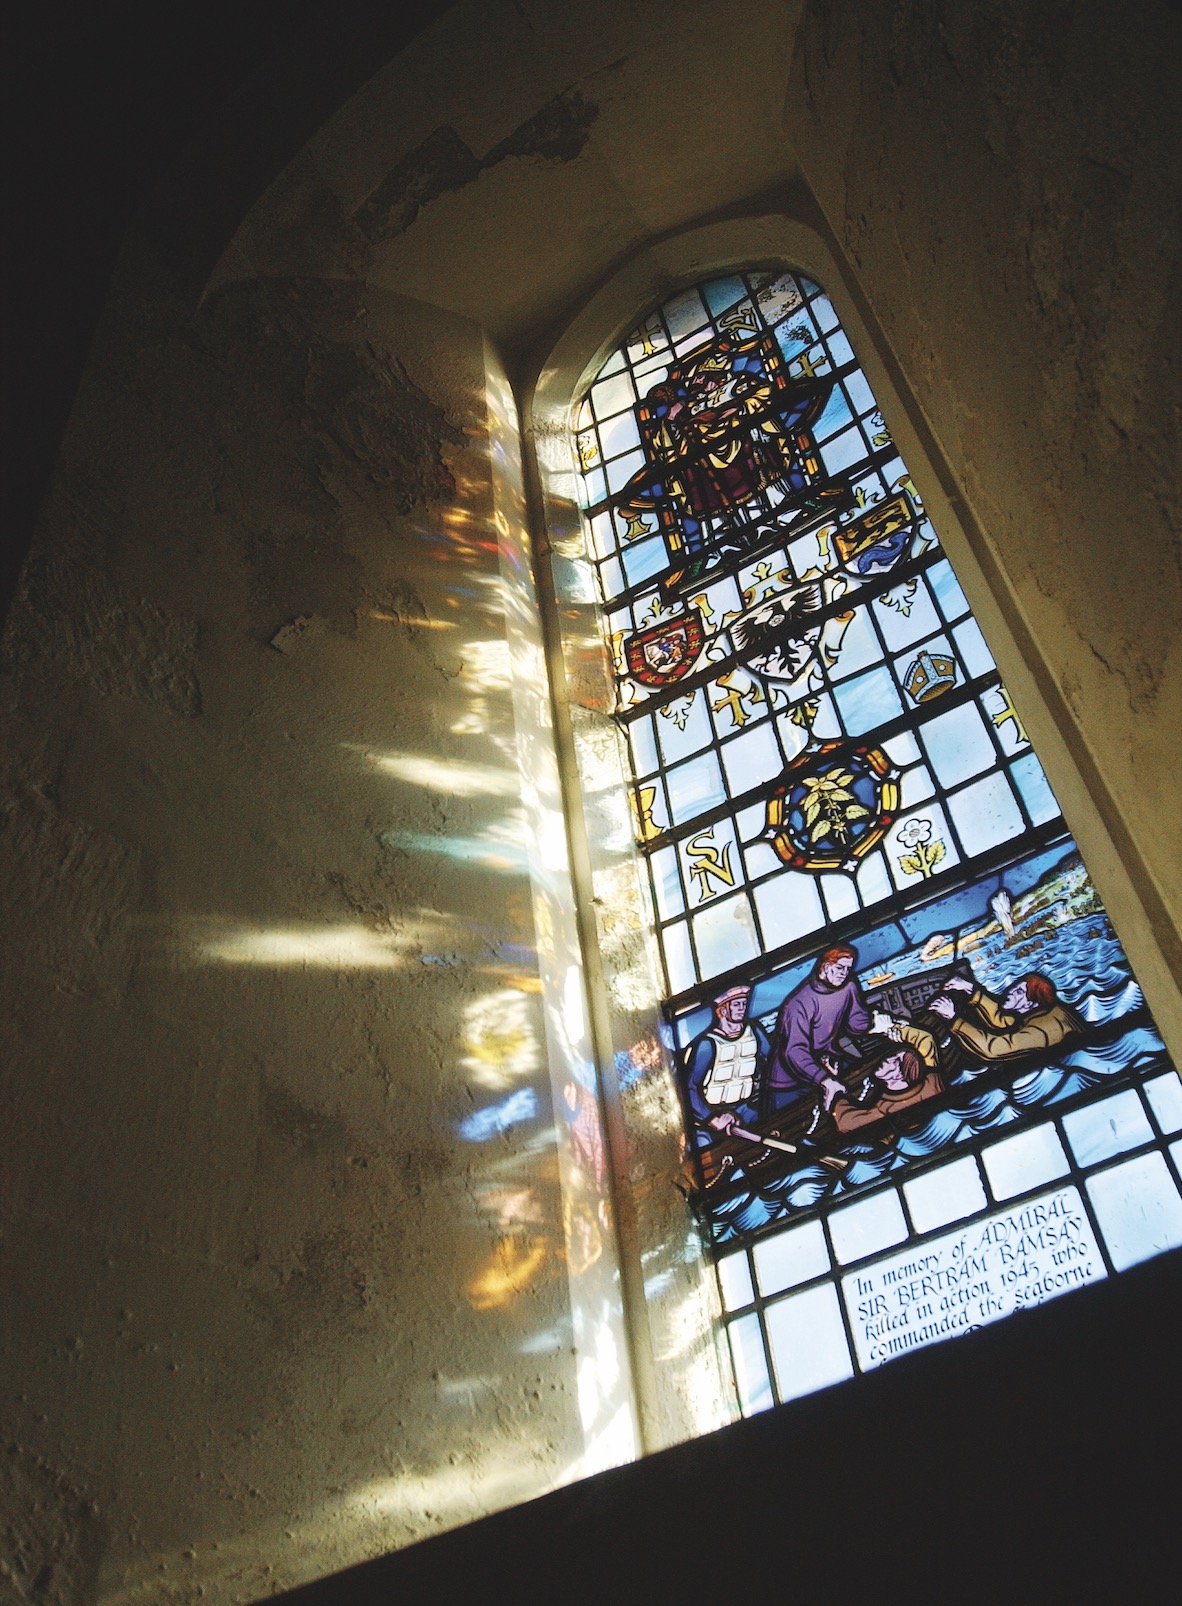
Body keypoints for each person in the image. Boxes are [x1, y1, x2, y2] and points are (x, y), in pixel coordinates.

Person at [766, 945, 871, 1114]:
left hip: (827, 1063)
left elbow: (857, 1025)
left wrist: (875, 1021)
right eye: (839, 967)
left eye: (848, 969)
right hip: (789, 1081)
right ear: (825, 966)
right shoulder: (800, 1002)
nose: (844, 973)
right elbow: (794, 1051)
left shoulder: (848, 986)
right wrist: (825, 1080)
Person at [683, 984, 771, 1147]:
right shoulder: (707, 1044)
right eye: (736, 1004)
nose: (742, 1009)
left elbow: (772, 1061)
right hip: (715, 1112)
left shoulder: (754, 1032)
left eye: (744, 1004)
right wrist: (711, 1118)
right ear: (722, 1010)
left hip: (748, 1108)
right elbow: (692, 1086)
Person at [929, 971, 1081, 1060]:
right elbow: (1001, 1022)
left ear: (1031, 1004)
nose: (1011, 990)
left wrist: (953, 1018)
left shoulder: (1045, 1027)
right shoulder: (1037, 1014)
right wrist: (970, 989)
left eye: (1019, 992)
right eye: (1016, 986)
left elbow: (996, 1048)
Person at [829, 1029, 942, 1134]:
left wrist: (834, 1091)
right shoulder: (932, 1082)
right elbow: (926, 1040)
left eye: (896, 1060)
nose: (888, 1058)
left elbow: (846, 1122)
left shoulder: (883, 1111)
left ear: (900, 1075)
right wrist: (891, 1028)